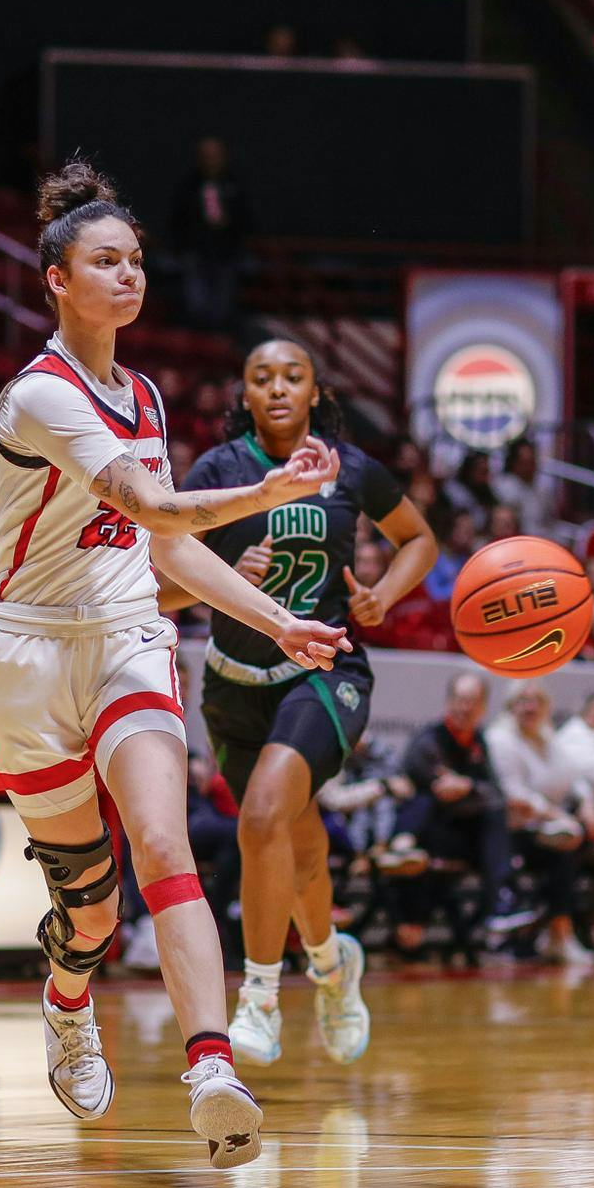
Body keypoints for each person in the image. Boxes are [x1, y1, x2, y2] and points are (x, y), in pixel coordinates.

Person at [0, 160, 346, 1169]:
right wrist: (270, 491)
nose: (129, 277)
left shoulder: (141, 393)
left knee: (162, 842)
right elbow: (155, 510)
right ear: (56, 278)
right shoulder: (39, 397)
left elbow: (165, 553)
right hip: (26, 656)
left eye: (136, 261)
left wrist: (276, 621)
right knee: (88, 907)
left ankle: (211, 1070)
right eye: (106, 261)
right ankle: (66, 1000)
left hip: (127, 637)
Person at [161, 336, 434, 1067]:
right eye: (261, 377)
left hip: (322, 672)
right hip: (233, 684)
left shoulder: (353, 469)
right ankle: (334, 968)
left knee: (259, 817)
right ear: (244, 396)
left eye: (293, 376)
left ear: (316, 392)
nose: (278, 387)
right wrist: (222, 572)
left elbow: (419, 540)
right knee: (300, 846)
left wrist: (384, 594)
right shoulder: (218, 474)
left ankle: (258, 996)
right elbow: (164, 590)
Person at [487, 682, 594, 964]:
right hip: (514, 831)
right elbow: (515, 794)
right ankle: (560, 931)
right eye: (523, 700)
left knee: (579, 839)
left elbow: (576, 779)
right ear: (510, 705)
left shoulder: (547, 737)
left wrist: (586, 803)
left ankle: (584, 924)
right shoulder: (500, 739)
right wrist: (555, 814)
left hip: (555, 827)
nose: (530, 706)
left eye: (536, 700)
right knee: (564, 847)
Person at [390, 675, 526, 957]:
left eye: (473, 702)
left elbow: (494, 792)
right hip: (426, 834)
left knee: (499, 818)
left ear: (483, 708)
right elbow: (436, 794)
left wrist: (467, 787)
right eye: (461, 700)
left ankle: (500, 909)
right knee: (492, 818)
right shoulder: (428, 740)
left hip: (466, 835)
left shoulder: (479, 741)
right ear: (449, 702)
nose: (465, 707)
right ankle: (501, 900)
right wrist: (473, 791)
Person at [168, 137, 250, 330]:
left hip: (226, 253)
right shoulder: (189, 186)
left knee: (222, 305)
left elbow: (247, 219)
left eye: (215, 156)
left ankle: (220, 341)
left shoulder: (234, 185)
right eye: (206, 156)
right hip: (196, 252)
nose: (211, 160)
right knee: (196, 303)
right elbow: (177, 219)